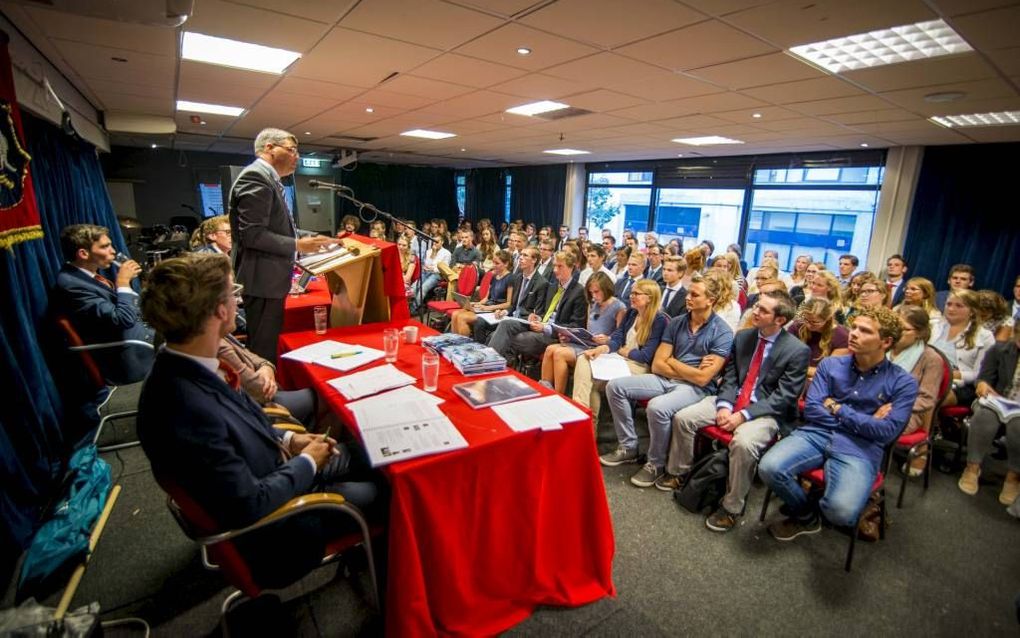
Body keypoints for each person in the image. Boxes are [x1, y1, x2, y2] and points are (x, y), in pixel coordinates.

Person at [137, 252, 382, 587]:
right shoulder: (185, 408)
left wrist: (291, 440)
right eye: (232, 294)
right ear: (220, 312)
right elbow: (250, 503)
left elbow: (249, 417)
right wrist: (308, 462)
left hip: (281, 468)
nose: (238, 300)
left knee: (379, 453)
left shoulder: (190, 366)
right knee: (392, 490)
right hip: (280, 526)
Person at [758, 306, 918, 540]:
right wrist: (865, 420)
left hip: (860, 448)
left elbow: (885, 432)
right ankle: (807, 515)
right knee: (768, 468)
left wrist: (836, 406)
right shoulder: (830, 365)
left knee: (841, 513)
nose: (853, 334)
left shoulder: (903, 382)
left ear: (886, 341)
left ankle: (821, 501)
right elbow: (813, 410)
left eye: (865, 331)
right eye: (854, 327)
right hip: (816, 434)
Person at [660, 291, 810, 531]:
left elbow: (785, 397)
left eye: (763, 310)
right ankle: (683, 474)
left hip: (765, 411)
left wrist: (743, 415)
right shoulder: (744, 337)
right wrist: (725, 405)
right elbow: (731, 376)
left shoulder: (797, 350)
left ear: (780, 320)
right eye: (756, 306)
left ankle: (732, 506)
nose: (754, 312)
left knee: (743, 443)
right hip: (733, 400)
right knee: (683, 418)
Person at [600, 273, 734, 487]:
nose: (688, 297)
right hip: (664, 378)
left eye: (694, 294)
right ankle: (629, 446)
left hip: (695, 389)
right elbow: (658, 364)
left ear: (711, 300)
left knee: (657, 407)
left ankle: (656, 464)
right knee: (615, 386)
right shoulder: (678, 322)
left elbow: (703, 379)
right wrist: (687, 368)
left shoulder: (723, 332)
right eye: (688, 293)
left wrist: (673, 362)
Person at [229, 128, 334, 361]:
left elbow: (276, 227)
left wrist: (312, 238)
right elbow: (253, 235)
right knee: (264, 344)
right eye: (292, 150)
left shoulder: (269, 178)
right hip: (262, 278)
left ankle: (265, 386)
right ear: (269, 148)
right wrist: (298, 244)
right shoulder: (255, 176)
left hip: (267, 277)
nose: (297, 156)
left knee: (268, 339)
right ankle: (262, 394)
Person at [52, 223, 154, 384]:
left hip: (144, 337)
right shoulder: (71, 284)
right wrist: (123, 282)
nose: (113, 251)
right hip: (132, 357)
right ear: (84, 253)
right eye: (105, 247)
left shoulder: (88, 276)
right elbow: (122, 319)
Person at [572, 279, 667, 426]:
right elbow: (617, 337)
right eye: (631, 293)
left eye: (636, 293)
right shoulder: (631, 313)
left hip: (639, 367)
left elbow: (645, 356)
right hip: (620, 360)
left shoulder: (659, 320)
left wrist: (622, 351)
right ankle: (583, 417)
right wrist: (602, 349)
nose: (631, 296)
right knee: (584, 358)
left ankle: (583, 424)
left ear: (650, 297)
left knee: (591, 383)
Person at [959, 324, 1020, 506]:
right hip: (996, 400)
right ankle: (972, 467)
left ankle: (1013, 476)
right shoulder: (999, 350)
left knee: (1018, 425)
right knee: (985, 416)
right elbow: (984, 376)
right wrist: (983, 384)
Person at [489, 250, 587, 362]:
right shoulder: (552, 287)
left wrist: (546, 328)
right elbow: (544, 313)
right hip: (540, 326)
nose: (555, 270)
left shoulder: (579, 292)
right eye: (554, 266)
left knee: (512, 338)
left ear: (571, 268)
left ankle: (494, 362)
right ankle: (490, 362)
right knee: (506, 324)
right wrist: (537, 317)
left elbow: (576, 325)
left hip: (555, 335)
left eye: (560, 266)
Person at [540, 272, 625, 394]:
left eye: (596, 292)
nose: (593, 296)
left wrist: (608, 338)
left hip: (602, 349)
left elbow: (620, 336)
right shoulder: (592, 304)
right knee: (549, 349)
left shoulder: (619, 307)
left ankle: (558, 395)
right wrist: (570, 337)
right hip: (587, 343)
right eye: (591, 292)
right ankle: (545, 389)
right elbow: (587, 330)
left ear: (606, 289)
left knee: (559, 353)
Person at [888, 306, 945, 476]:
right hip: (873, 402)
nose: (896, 332)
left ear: (920, 332)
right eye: (893, 326)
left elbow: (926, 399)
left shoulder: (931, 359)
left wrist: (892, 407)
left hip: (905, 412)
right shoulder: (883, 346)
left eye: (904, 329)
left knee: (864, 423)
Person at [218, 332, 316, 425]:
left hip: (264, 398)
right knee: (321, 396)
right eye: (232, 312)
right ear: (221, 314)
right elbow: (260, 391)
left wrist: (266, 365)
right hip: (261, 408)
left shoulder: (221, 335)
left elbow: (249, 355)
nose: (236, 313)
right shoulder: (220, 347)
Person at [929, 289, 995, 407]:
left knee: (927, 400)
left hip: (961, 385)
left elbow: (981, 374)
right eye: (949, 304)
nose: (951, 309)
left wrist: (954, 374)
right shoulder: (934, 326)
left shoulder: (985, 336)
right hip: (928, 375)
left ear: (972, 311)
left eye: (959, 306)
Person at [474, 246, 546, 346]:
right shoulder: (517, 278)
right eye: (521, 255)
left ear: (534, 260)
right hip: (511, 317)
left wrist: (535, 318)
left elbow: (538, 313)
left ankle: (488, 358)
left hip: (523, 321)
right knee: (480, 321)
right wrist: (504, 311)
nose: (520, 258)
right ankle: (478, 349)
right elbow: (513, 304)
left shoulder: (541, 283)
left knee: (498, 331)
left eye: (525, 256)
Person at [787, 297, 850, 386]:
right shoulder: (797, 326)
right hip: (792, 376)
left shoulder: (842, 337)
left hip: (818, 382)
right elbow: (784, 356)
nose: (808, 325)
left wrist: (795, 368)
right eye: (806, 319)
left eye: (814, 322)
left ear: (827, 319)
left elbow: (829, 371)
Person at [450, 250, 514, 336]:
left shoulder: (510, 278)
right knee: (455, 314)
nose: (494, 265)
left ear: (506, 264)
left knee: (462, 317)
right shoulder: (494, 276)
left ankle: (463, 346)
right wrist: (477, 304)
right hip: (487, 307)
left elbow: (508, 303)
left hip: (496, 311)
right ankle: (453, 342)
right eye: (493, 262)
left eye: (497, 263)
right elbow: (487, 298)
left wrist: (489, 308)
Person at [411, 233, 452, 314]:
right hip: (426, 272)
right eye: (433, 241)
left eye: (437, 241)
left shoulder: (446, 253)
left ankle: (411, 310)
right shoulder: (429, 251)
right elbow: (427, 263)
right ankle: (411, 307)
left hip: (437, 274)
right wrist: (433, 253)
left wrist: (432, 268)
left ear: (442, 242)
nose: (434, 243)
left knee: (423, 288)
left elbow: (444, 268)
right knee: (414, 287)